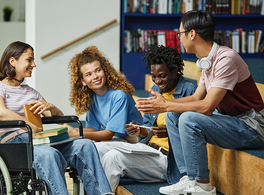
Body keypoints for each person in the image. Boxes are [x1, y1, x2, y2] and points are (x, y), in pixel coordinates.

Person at [136, 10, 264, 195]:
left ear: (192, 34)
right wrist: (166, 103)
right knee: (173, 115)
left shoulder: (225, 59)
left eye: (180, 33)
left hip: (251, 126)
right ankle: (188, 177)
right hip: (231, 119)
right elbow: (197, 97)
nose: (179, 38)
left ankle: (202, 185)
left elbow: (206, 106)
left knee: (188, 119)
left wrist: (165, 105)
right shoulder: (206, 60)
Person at [0, 41, 113, 195]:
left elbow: (56, 116)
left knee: (85, 145)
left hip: (38, 141)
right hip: (14, 144)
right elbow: (0, 112)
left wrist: (50, 107)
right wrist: (28, 125)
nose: (34, 64)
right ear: (12, 61)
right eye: (29, 60)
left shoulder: (30, 92)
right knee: (49, 154)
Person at [94, 45, 197, 192]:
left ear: (175, 70)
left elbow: (195, 132)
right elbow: (147, 129)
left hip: (167, 160)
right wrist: (140, 130)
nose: (157, 81)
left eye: (162, 76)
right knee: (94, 148)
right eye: (154, 76)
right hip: (147, 149)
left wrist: (170, 132)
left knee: (113, 157)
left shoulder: (189, 91)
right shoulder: (155, 91)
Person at [68, 46, 143, 143]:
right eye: (89, 74)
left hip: (134, 140)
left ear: (105, 71)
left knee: (92, 148)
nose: (95, 76)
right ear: (83, 81)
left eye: (98, 70)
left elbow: (108, 134)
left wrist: (79, 134)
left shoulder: (119, 95)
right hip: (117, 139)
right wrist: (76, 131)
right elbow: (92, 128)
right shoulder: (91, 97)